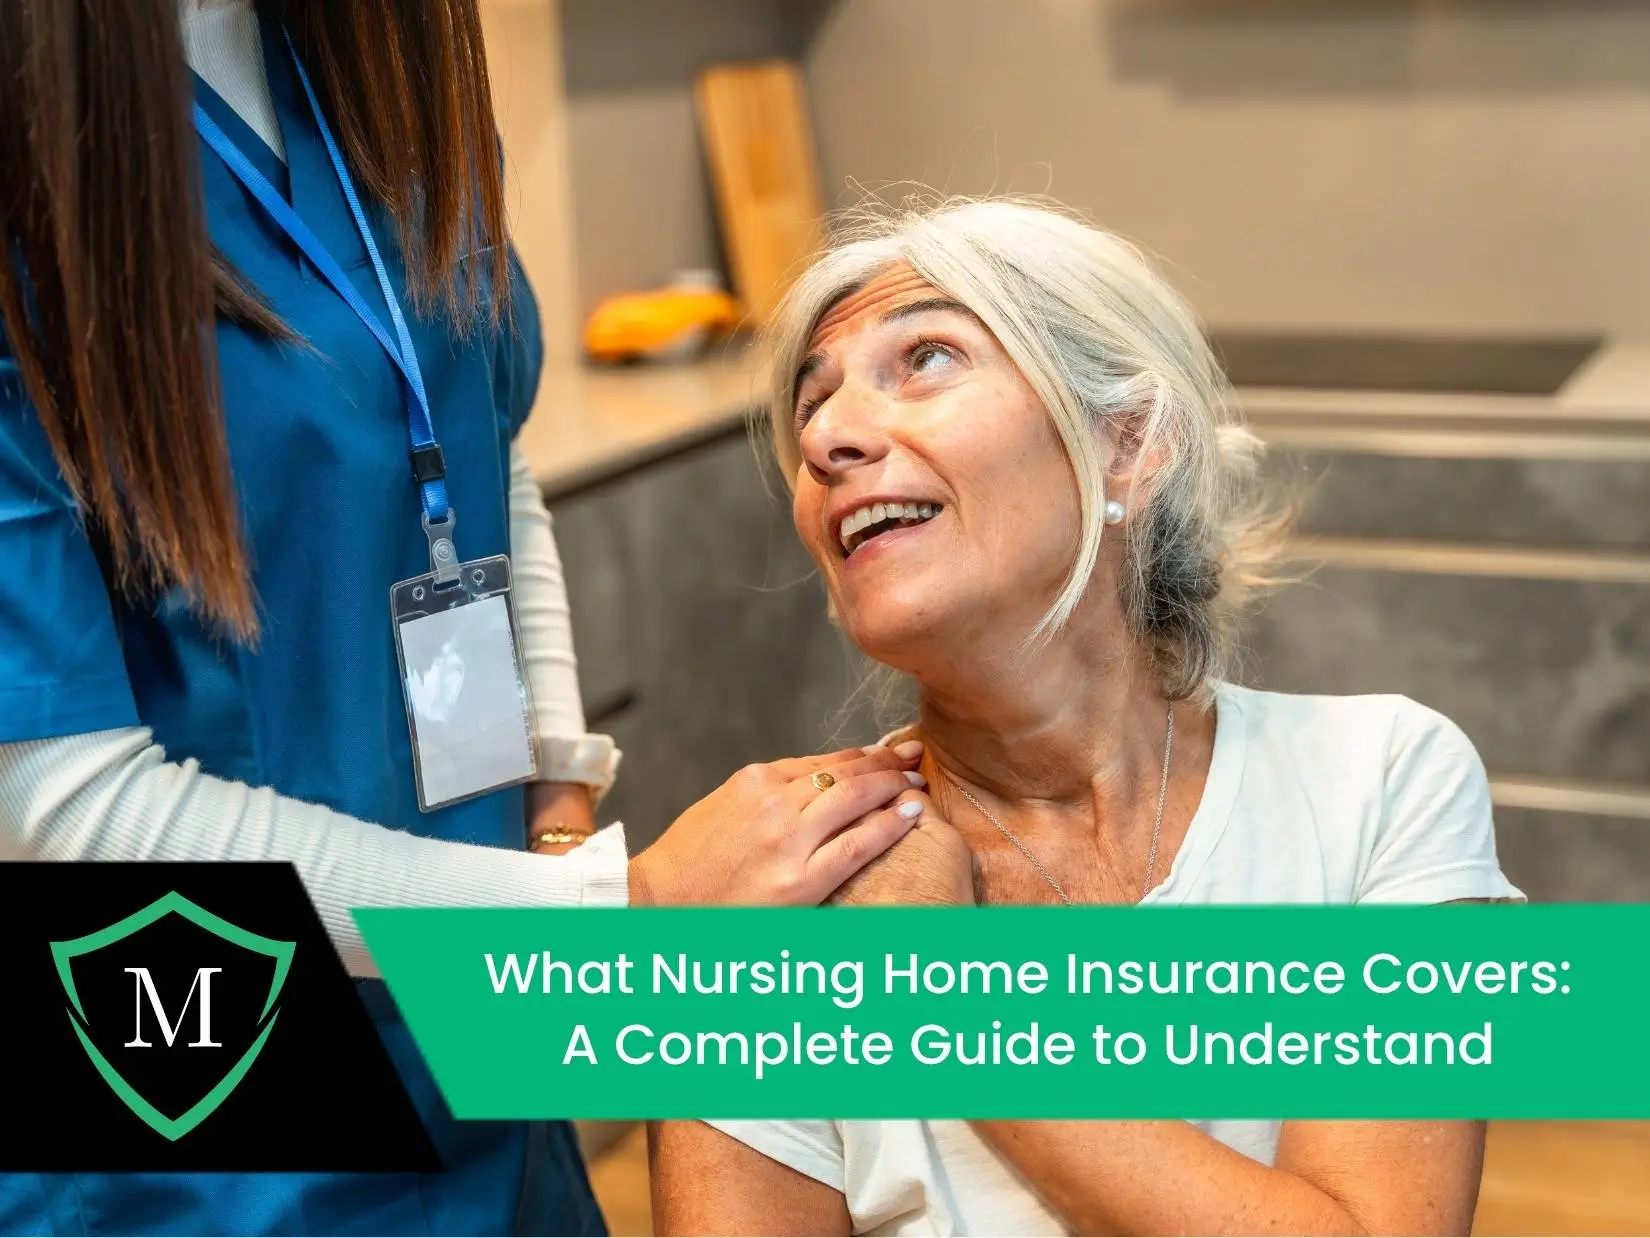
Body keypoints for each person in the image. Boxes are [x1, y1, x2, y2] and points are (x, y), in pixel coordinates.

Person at [0, 3, 930, 1234]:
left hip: (481, 1017)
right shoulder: (35, 170)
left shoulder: (371, 62)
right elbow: (59, 800)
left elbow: (481, 457)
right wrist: (616, 912)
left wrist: (552, 806)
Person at [650, 198, 1525, 1236]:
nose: (829, 436)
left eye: (926, 355)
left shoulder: (1381, 780)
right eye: (812, 404)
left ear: (1130, 442)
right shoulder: (780, 885)